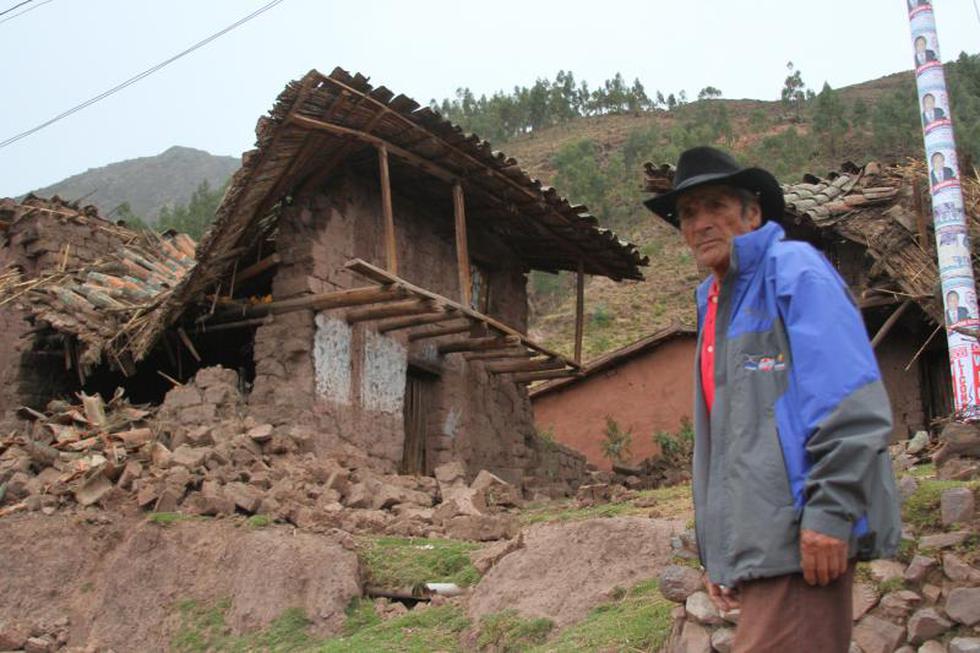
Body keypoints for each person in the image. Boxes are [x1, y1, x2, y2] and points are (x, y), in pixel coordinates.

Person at [644, 146, 901, 653]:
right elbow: (730, 440)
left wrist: (829, 514)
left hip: (806, 539)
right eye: (688, 213)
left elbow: (850, 403)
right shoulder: (714, 300)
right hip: (767, 544)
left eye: (715, 205)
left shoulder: (794, 272)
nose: (700, 223)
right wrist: (720, 554)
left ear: (752, 212)